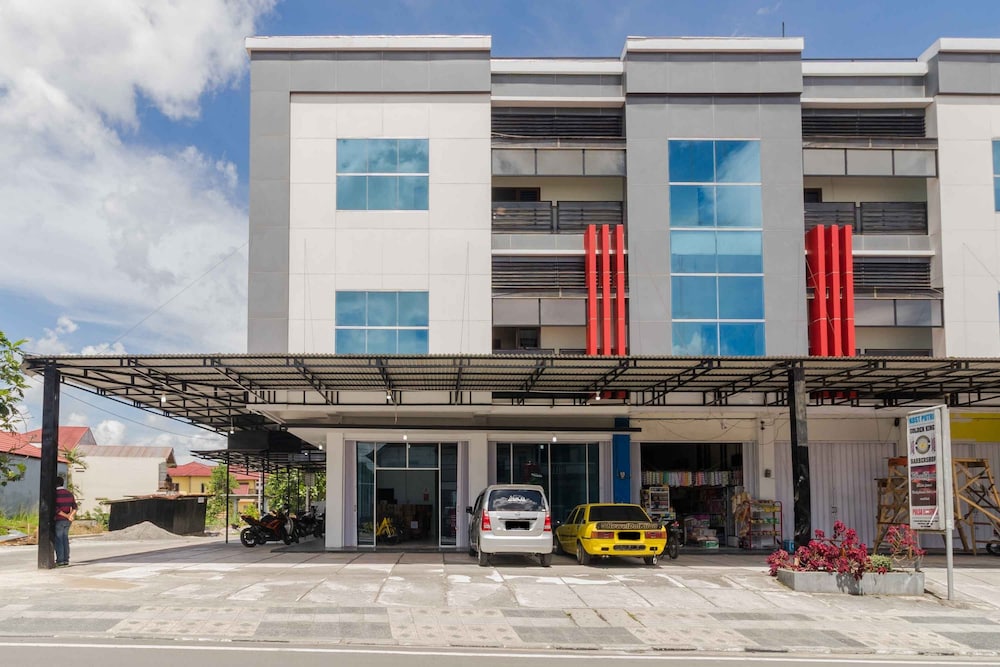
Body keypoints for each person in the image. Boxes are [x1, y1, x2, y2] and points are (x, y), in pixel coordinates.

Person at [53, 475, 77, 567]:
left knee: (59, 539)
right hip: (68, 521)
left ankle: (60, 560)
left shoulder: (55, 494)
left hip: (59, 520)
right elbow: (75, 507)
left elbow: (56, 509)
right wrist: (70, 515)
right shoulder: (69, 493)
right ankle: (66, 559)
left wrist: (66, 516)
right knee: (65, 539)